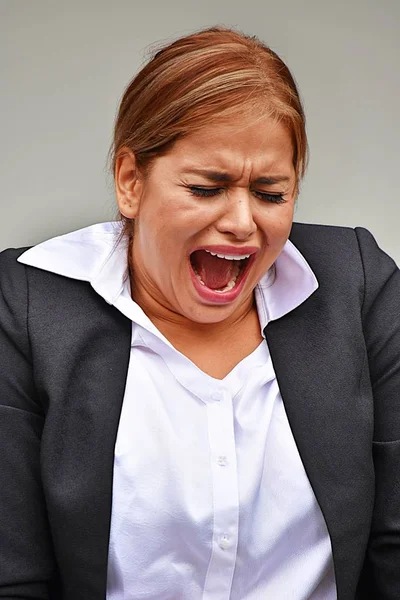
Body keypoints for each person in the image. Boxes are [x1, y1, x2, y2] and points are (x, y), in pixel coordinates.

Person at [0, 26, 399, 600]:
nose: (242, 222)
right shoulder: (28, 307)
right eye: (208, 188)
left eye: (269, 193)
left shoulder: (358, 287)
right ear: (130, 182)